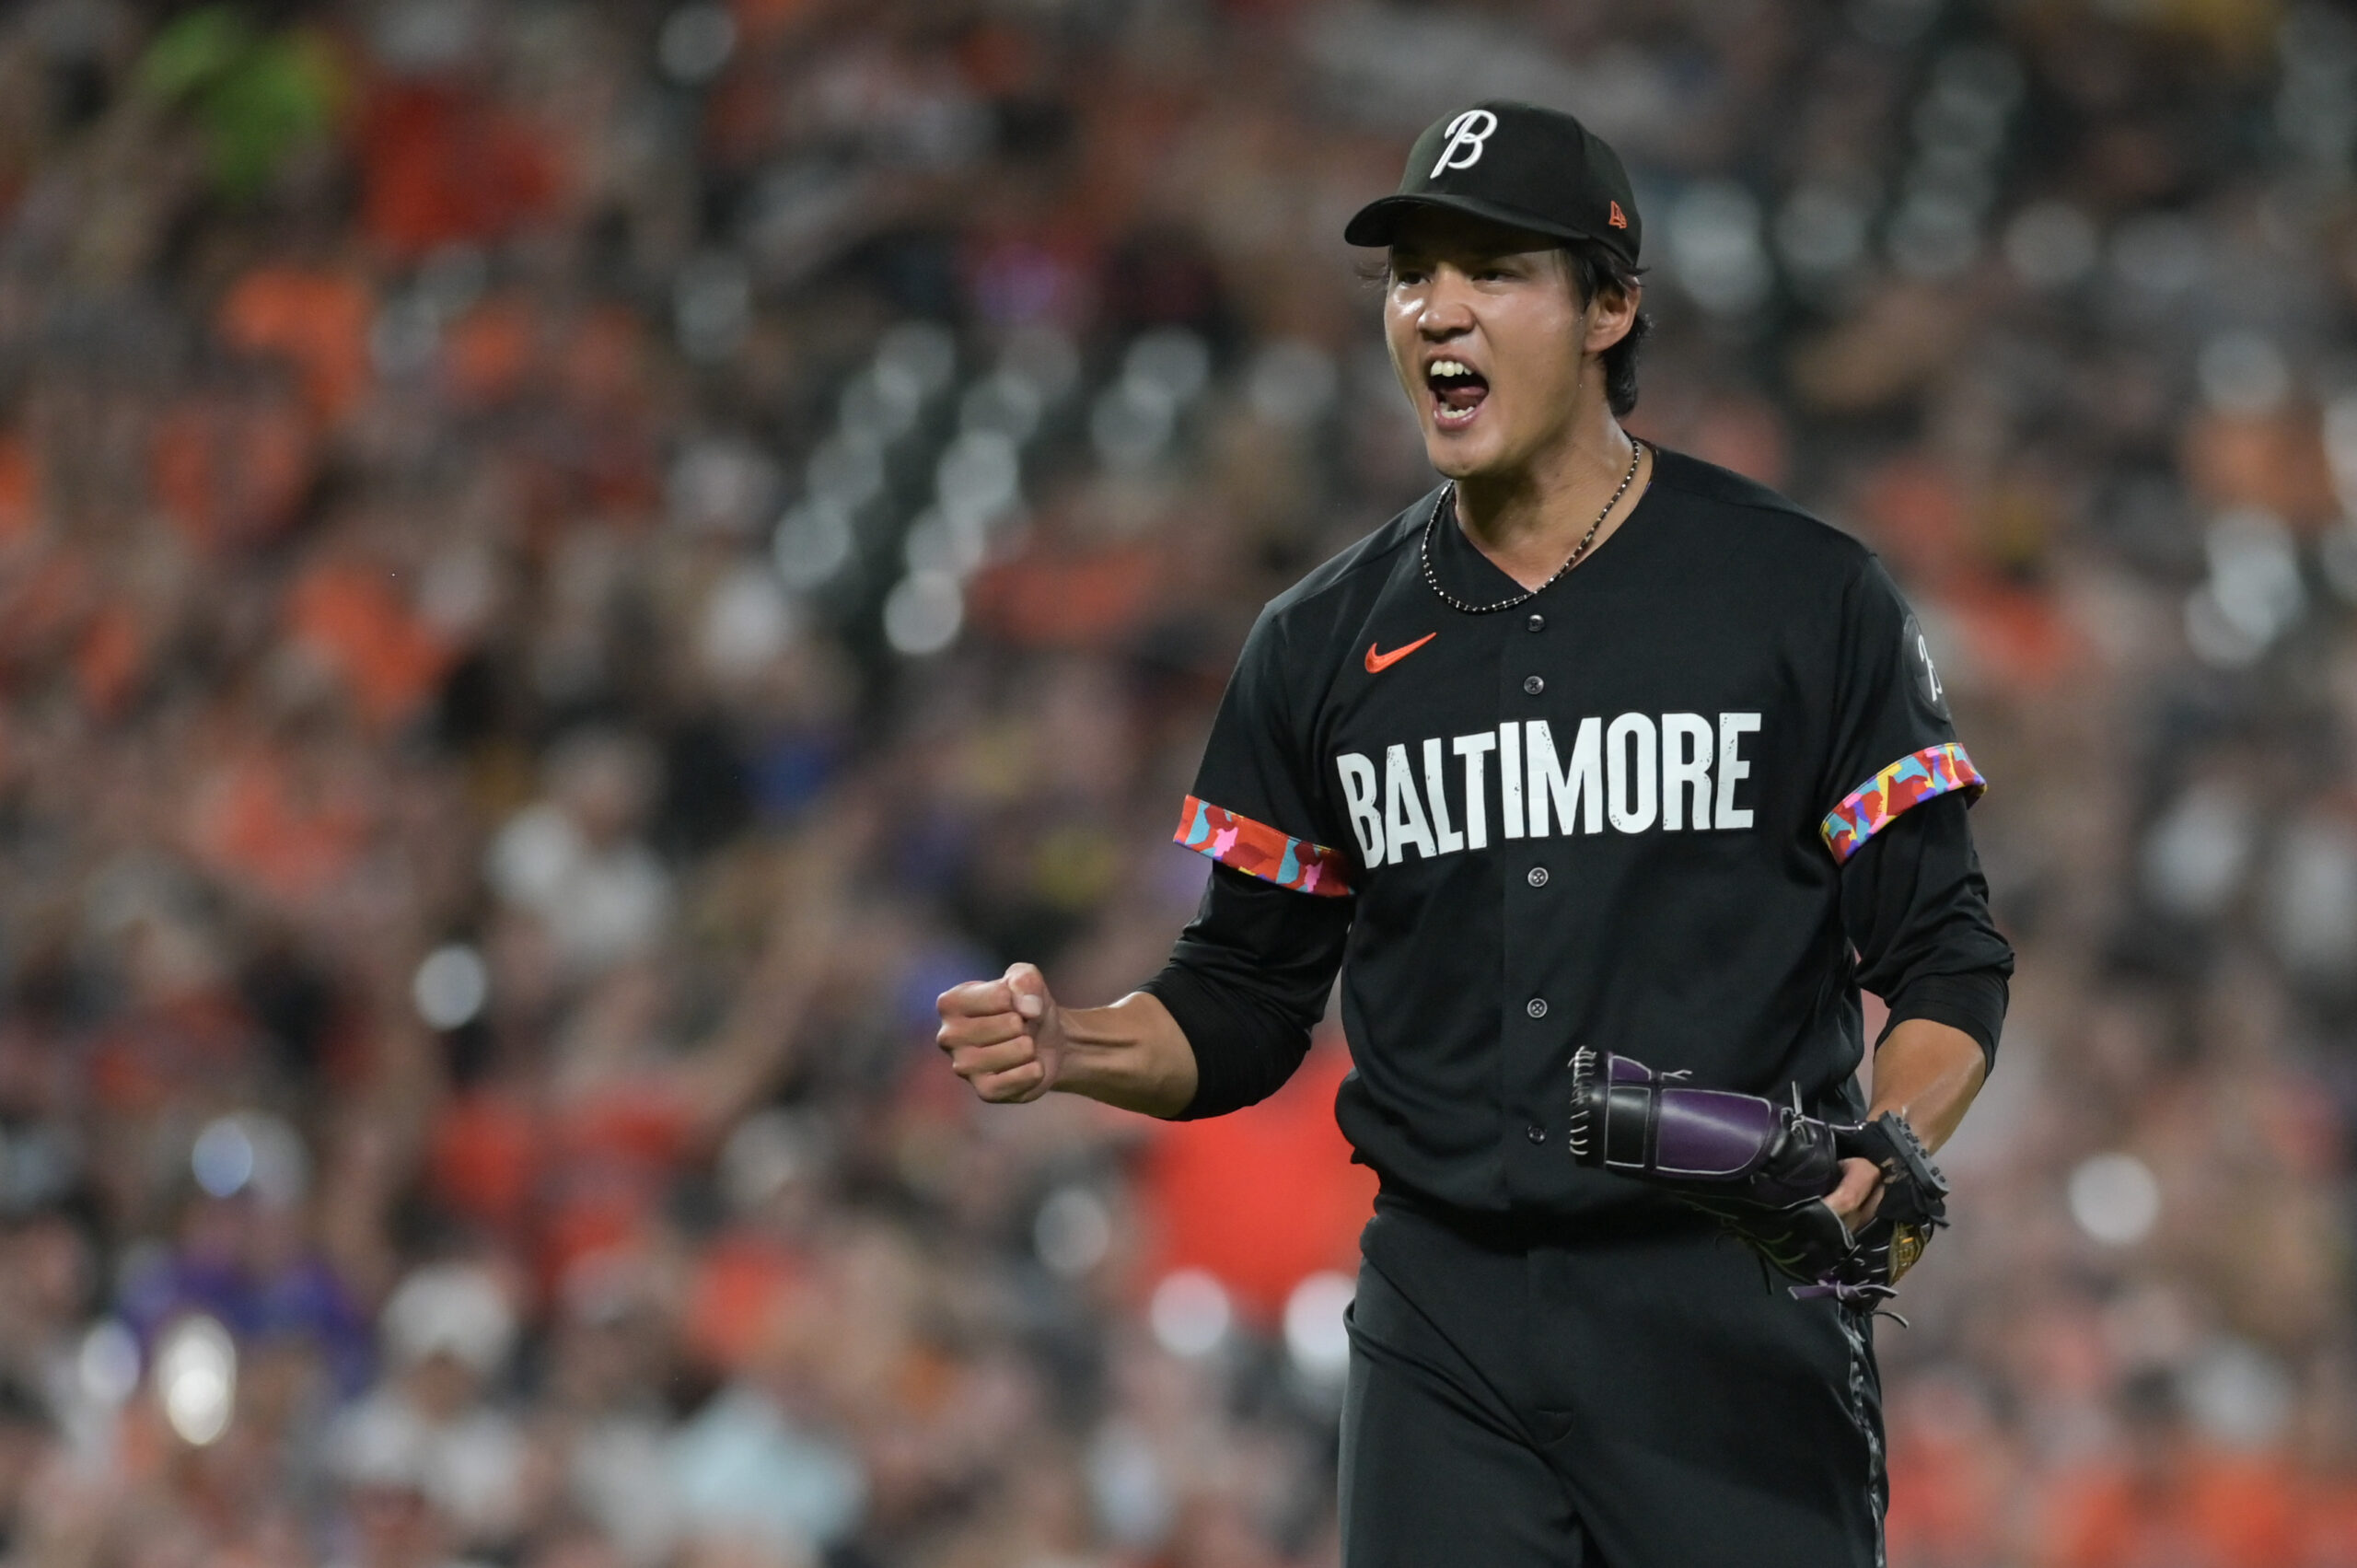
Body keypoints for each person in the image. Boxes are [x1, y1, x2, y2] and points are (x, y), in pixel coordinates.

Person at [935, 99, 2012, 1568]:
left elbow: (1944, 951)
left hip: (1729, 1301)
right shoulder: (1319, 640)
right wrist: (1074, 1043)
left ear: (1608, 307)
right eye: (1410, 274)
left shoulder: (1801, 596)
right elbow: (1247, 996)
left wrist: (1891, 1139)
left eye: (1493, 269)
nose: (1437, 308)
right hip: (1444, 1318)